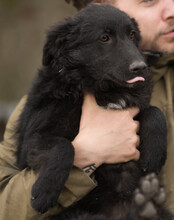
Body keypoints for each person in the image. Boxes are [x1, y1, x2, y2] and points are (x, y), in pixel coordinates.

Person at [0, 0, 173, 219]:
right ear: (100, 3)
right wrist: (86, 155)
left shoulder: (140, 87)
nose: (172, 10)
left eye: (130, 36)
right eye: (149, 1)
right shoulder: (51, 95)